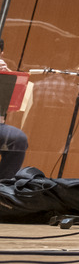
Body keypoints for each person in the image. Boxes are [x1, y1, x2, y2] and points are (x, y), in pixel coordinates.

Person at [0, 41, 29, 180]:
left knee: (18, 138)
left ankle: (3, 186)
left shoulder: (6, 73)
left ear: (1, 54)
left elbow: (16, 105)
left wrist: (8, 75)